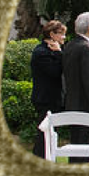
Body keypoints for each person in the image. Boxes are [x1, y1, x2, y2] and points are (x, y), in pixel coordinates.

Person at [28, 19, 69, 154]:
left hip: (54, 99)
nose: (64, 37)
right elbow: (56, 72)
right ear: (52, 35)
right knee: (44, 134)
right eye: (61, 34)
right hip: (46, 99)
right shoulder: (41, 52)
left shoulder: (52, 51)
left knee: (50, 134)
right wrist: (59, 53)